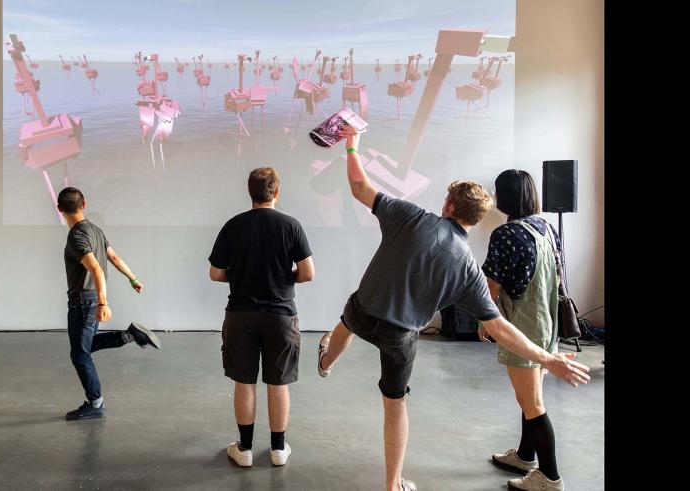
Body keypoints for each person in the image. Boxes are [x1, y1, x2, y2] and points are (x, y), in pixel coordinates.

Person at [316, 127, 590, 491]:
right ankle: (393, 484)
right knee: (394, 403)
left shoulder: (410, 215)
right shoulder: (467, 268)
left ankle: (326, 362)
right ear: (476, 220)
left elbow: (359, 186)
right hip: (401, 335)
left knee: (344, 326)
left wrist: (352, 146)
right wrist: (547, 357)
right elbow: (499, 328)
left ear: (448, 206)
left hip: (364, 308)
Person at [208, 167, 315, 467]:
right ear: (277, 192)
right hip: (280, 315)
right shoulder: (291, 226)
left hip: (241, 314)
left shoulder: (233, 226)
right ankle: (278, 449)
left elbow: (215, 273)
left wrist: (240, 275)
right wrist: (283, 277)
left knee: (245, 382)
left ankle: (243, 449)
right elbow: (308, 273)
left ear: (250, 192)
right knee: (278, 382)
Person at [481, 169, 568, 491]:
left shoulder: (506, 234)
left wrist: (485, 322)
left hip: (523, 323)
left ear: (506, 196)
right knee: (531, 394)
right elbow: (558, 277)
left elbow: (490, 286)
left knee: (531, 401)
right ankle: (524, 455)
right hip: (547, 321)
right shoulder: (544, 227)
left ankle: (549, 477)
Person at [57, 187, 161, 421]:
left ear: (60, 209)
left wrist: (103, 303)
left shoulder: (76, 235)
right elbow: (113, 257)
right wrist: (132, 278)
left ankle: (95, 403)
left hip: (83, 302)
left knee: (80, 354)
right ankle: (129, 335)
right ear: (84, 203)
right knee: (87, 345)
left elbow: (95, 268)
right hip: (90, 299)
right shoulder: (95, 229)